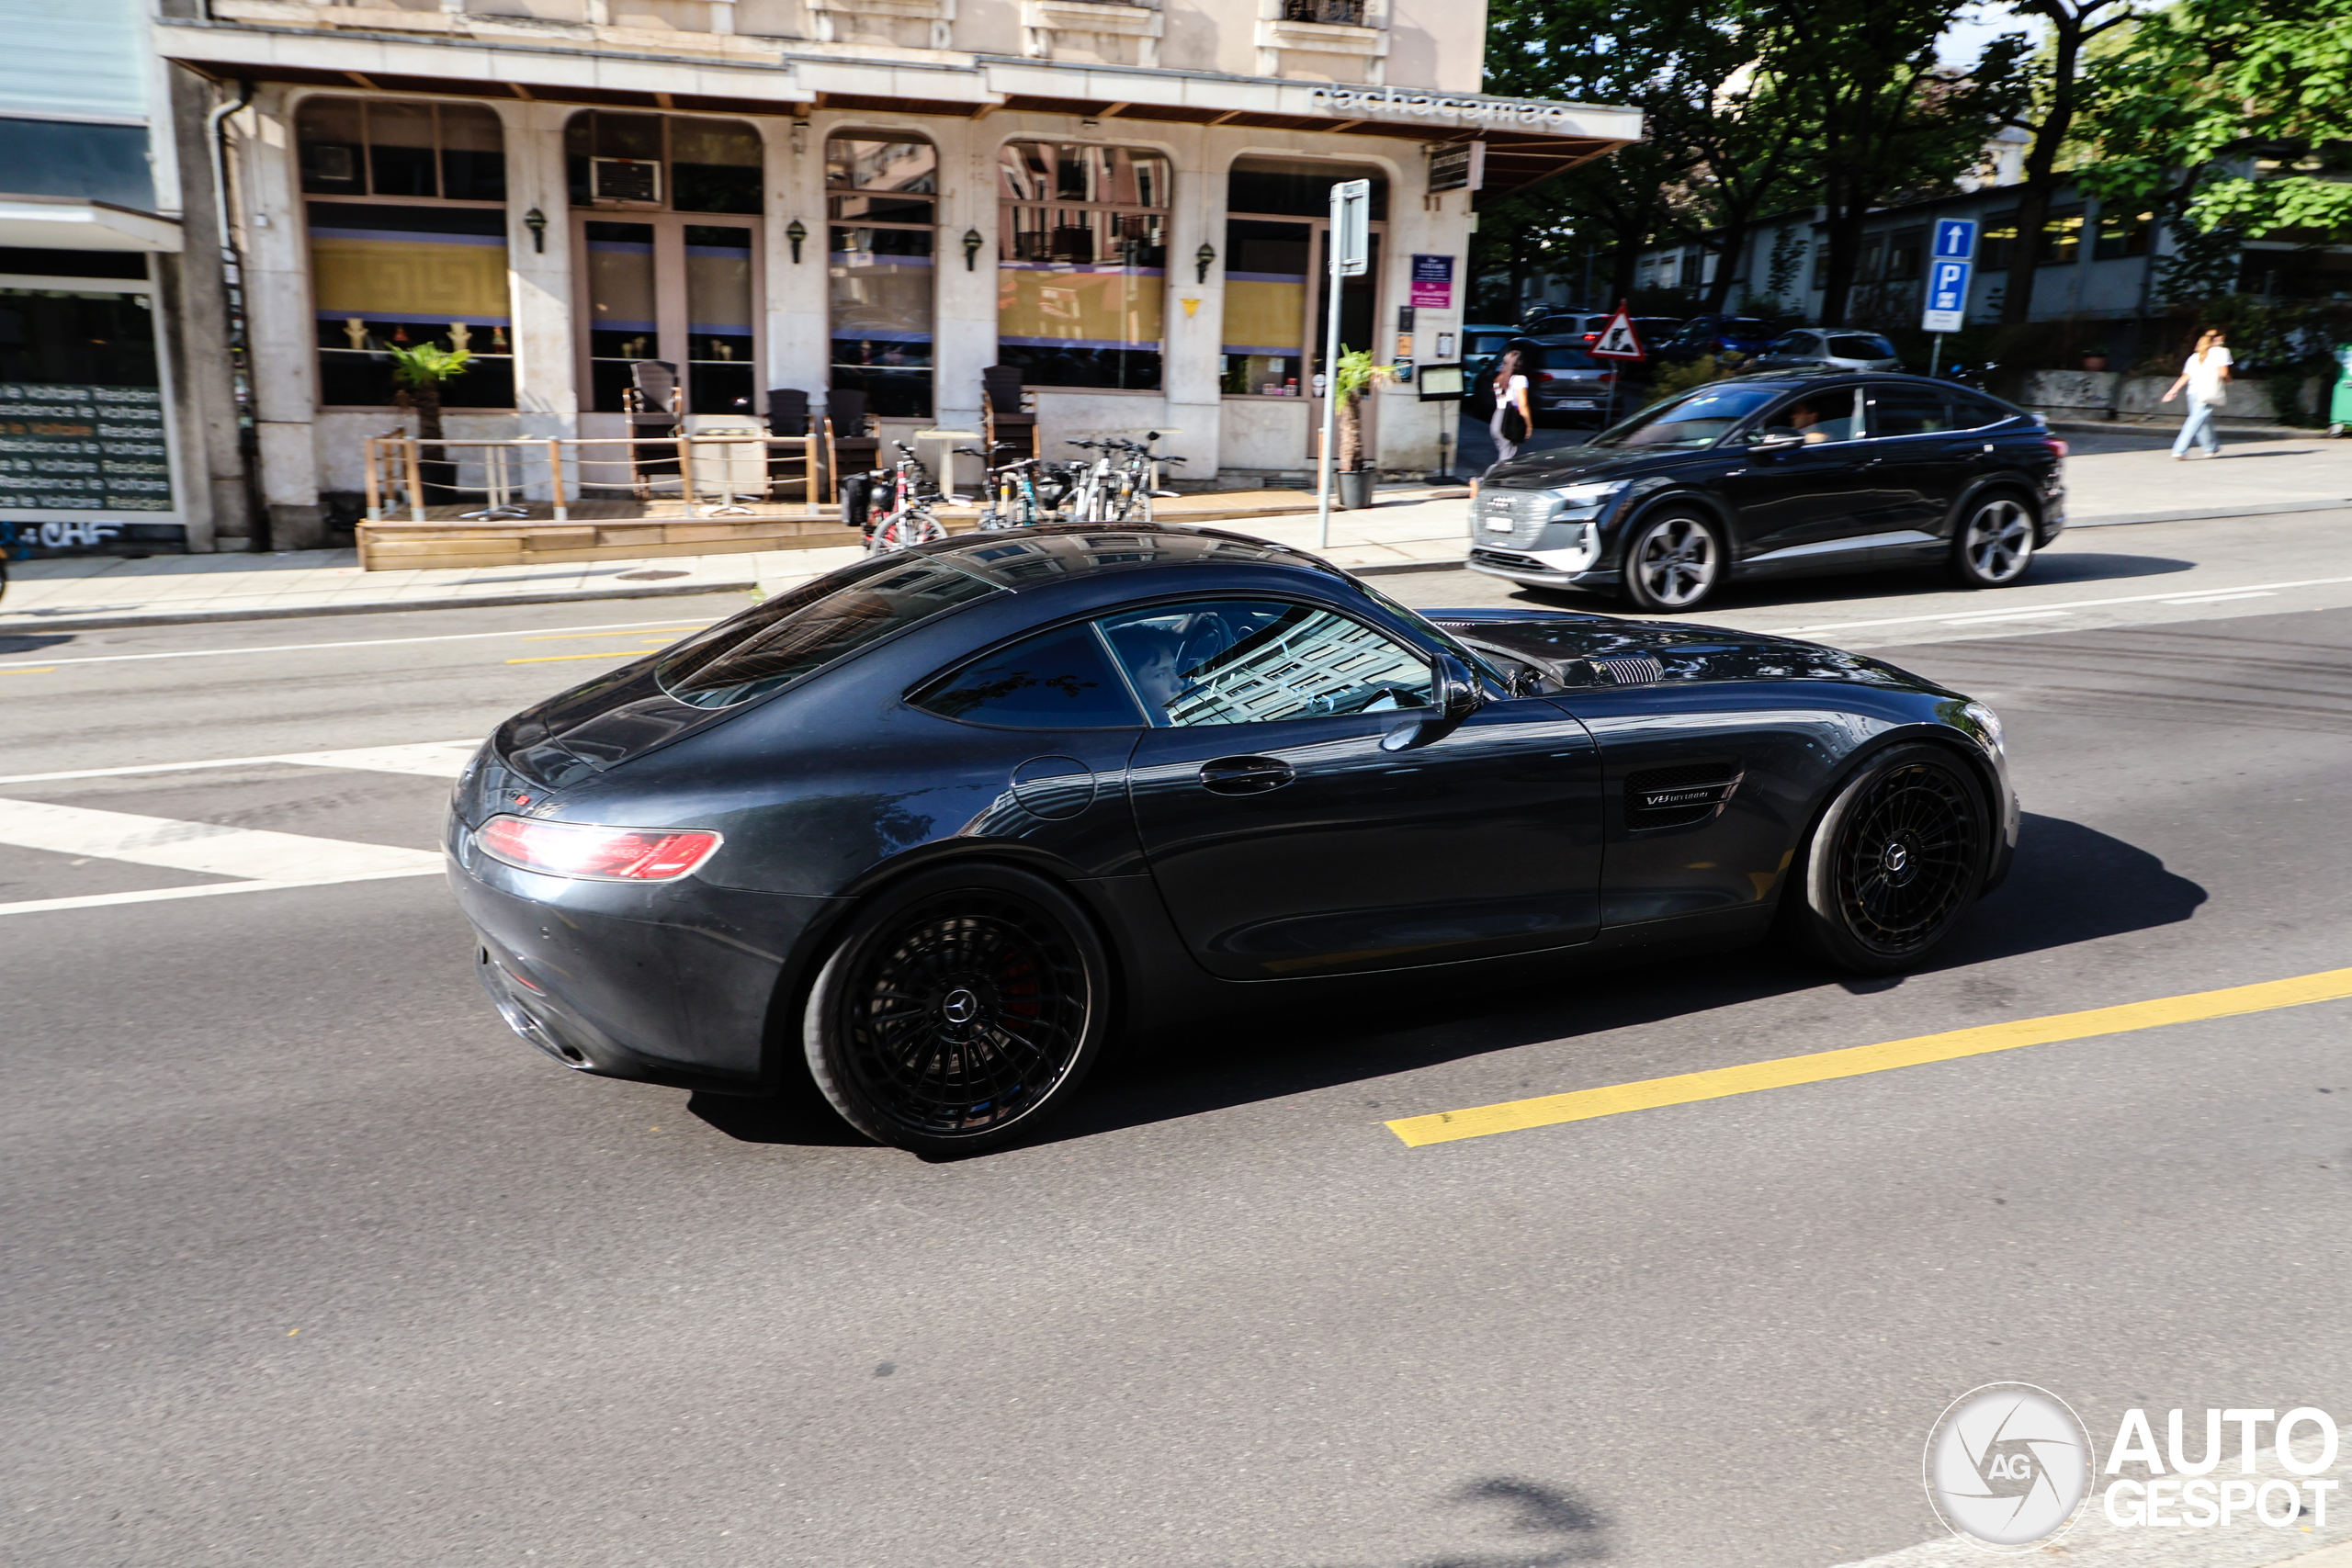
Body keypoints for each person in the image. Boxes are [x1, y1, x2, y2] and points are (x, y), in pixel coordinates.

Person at [2162, 328, 2233, 459]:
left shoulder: (2194, 356)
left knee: (2202, 420)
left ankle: (2211, 448)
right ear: (2219, 339)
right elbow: (2223, 373)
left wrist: (2173, 391)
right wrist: (2228, 379)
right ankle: (2179, 450)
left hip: (2192, 392)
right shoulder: (2222, 352)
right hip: (2207, 391)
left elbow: (2185, 376)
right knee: (2195, 420)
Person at [1488, 346, 1533, 466]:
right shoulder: (1520, 379)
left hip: (1497, 418)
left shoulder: (1500, 379)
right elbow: (1523, 404)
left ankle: (1490, 480)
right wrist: (1528, 425)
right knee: (1506, 460)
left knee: (1504, 455)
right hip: (1509, 420)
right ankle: (1483, 480)